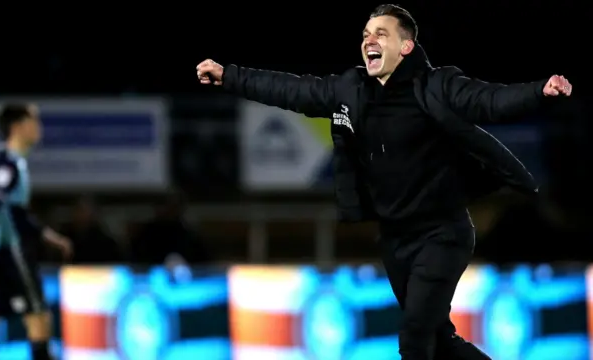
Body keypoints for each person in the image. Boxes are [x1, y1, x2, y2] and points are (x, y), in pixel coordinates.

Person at [196, 4, 572, 360]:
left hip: (442, 234)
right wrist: (229, 75)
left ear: (406, 46)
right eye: (365, 34)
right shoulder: (350, 91)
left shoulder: (437, 87)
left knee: (414, 336)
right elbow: (290, 90)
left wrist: (540, 91)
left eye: (381, 33)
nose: (368, 40)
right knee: (439, 341)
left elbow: (491, 100)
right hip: (395, 239)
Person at [0, 103, 73, 360]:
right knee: (39, 319)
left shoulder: (2, 158)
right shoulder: (8, 163)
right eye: (34, 121)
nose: (39, 128)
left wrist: (48, 237)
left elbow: (14, 213)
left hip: (3, 252)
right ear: (18, 127)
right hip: (12, 252)